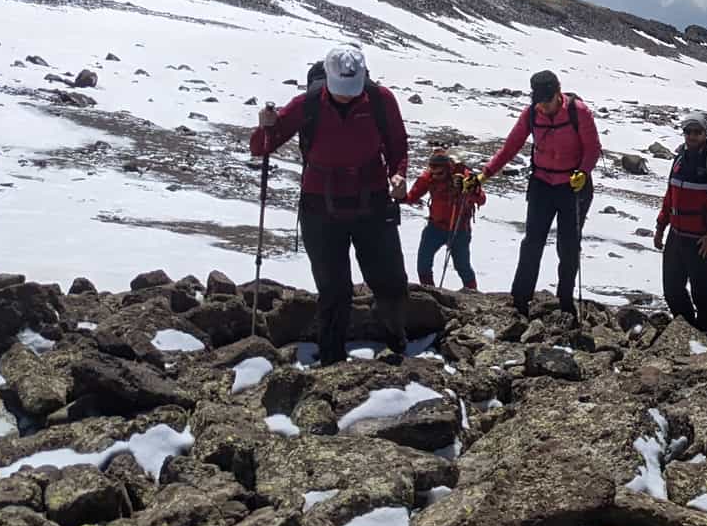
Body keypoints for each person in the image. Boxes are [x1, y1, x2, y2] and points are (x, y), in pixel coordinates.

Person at [249, 43, 412, 365]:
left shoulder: (380, 100)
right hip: (320, 208)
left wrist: (399, 175)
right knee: (334, 290)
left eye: (351, 90)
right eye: (340, 90)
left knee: (390, 281)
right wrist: (265, 126)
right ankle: (332, 360)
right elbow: (261, 147)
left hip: (373, 204)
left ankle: (397, 339)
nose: (346, 96)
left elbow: (397, 144)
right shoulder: (307, 103)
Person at [483, 69, 600, 317]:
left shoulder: (578, 112)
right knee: (532, 243)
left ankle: (565, 302)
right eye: (539, 101)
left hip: (573, 185)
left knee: (568, 245)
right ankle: (520, 299)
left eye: (547, 101)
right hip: (542, 184)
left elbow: (592, 148)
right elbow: (510, 147)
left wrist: (583, 172)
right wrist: (486, 174)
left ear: (558, 93)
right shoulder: (531, 114)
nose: (543, 107)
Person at [653, 112, 707, 331]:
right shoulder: (679, 160)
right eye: (688, 131)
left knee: (702, 292)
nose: (692, 136)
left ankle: (706, 336)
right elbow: (670, 196)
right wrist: (660, 227)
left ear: (706, 133)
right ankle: (687, 330)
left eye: (697, 132)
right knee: (672, 290)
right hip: (676, 236)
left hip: (702, 240)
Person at [407, 149, 485, 290]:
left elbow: (481, 199)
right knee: (423, 264)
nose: (436, 176)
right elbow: (412, 196)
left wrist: (471, 189)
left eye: (440, 173)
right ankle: (429, 292)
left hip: (459, 228)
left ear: (448, 169)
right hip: (435, 226)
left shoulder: (464, 177)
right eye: (433, 173)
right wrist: (398, 197)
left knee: (462, 266)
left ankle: (472, 293)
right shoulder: (429, 177)